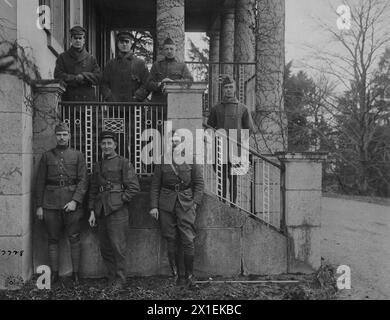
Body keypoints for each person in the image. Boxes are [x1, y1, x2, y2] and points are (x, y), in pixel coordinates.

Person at [149, 130, 204, 288]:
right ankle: (176, 275)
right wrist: (153, 206)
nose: (174, 143)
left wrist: (195, 203)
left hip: (186, 203)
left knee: (187, 239)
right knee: (170, 238)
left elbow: (199, 184)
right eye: (171, 141)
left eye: (177, 141)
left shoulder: (191, 160)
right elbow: (155, 185)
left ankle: (190, 277)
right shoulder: (162, 161)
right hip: (166, 203)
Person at [35, 122, 88, 285]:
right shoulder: (46, 156)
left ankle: (76, 274)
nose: (62, 137)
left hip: (72, 204)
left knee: (74, 238)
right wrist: (39, 206)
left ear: (70, 136)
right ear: (55, 136)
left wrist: (75, 201)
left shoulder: (78, 155)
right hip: (50, 204)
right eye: (59, 134)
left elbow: (83, 181)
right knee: (52, 239)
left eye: (65, 134)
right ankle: (54, 274)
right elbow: (40, 182)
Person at [88, 131, 140, 290]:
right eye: (103, 143)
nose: (106, 146)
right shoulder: (98, 165)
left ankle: (120, 279)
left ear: (115, 145)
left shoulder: (124, 162)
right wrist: (91, 211)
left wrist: (120, 200)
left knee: (118, 247)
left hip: (118, 211)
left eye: (109, 143)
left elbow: (134, 187)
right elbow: (93, 190)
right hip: (101, 210)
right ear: (100, 146)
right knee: (105, 247)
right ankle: (111, 276)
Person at [207, 75, 255, 205]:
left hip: (235, 149)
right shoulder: (216, 108)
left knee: (233, 180)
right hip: (219, 148)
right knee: (221, 178)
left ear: (235, 89)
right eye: (226, 87)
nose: (228, 90)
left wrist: (239, 142)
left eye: (230, 87)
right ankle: (221, 204)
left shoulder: (243, 108)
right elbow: (209, 127)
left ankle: (233, 206)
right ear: (223, 89)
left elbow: (249, 128)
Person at [54, 26, 101, 101]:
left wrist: (84, 76)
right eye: (75, 38)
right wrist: (74, 78)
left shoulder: (91, 59)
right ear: (71, 40)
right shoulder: (63, 57)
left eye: (80, 38)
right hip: (69, 99)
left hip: (86, 101)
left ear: (84, 40)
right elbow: (58, 75)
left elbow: (98, 77)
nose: (78, 41)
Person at [101, 31, 150, 102]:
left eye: (127, 42)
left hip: (135, 107)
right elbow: (103, 84)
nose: (124, 44)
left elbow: (146, 83)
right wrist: (109, 97)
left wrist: (137, 97)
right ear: (117, 44)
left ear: (131, 44)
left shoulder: (140, 64)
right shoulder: (110, 64)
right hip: (114, 106)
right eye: (121, 42)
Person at [147, 37, 193, 103]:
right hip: (158, 104)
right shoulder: (156, 65)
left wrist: (173, 82)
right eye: (166, 49)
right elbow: (148, 84)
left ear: (175, 50)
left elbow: (189, 81)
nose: (169, 51)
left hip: (176, 102)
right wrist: (160, 84)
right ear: (163, 51)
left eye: (171, 49)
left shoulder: (182, 66)